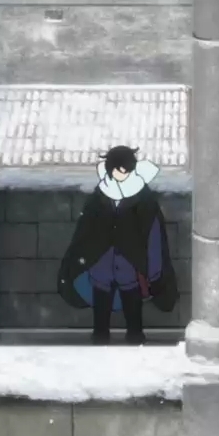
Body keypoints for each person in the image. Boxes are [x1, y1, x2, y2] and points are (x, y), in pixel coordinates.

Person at [57, 147, 179, 345]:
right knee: (101, 313)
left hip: (131, 264)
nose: (123, 173)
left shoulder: (143, 198)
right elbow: (85, 230)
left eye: (127, 170)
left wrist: (154, 269)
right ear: (110, 168)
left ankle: (134, 339)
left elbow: (154, 234)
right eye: (120, 169)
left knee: (133, 311)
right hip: (101, 264)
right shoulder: (99, 197)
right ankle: (101, 339)